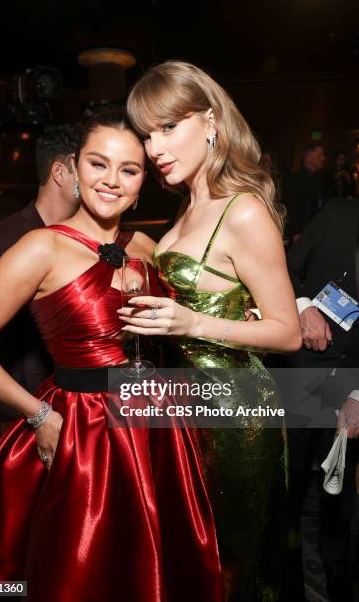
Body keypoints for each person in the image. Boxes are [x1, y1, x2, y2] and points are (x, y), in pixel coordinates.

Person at [0, 107, 223, 602]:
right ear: (74, 168)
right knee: (84, 569)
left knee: (155, 567)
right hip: (87, 433)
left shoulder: (143, 244)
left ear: (144, 181)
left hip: (156, 428)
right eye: (98, 164)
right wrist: (38, 415)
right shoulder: (40, 248)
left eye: (129, 169)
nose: (112, 181)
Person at [122, 60, 302, 601]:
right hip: (187, 412)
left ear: (210, 122)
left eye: (168, 128)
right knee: (194, 565)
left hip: (237, 417)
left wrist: (193, 320)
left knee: (235, 568)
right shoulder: (185, 205)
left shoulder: (242, 209)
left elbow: (288, 332)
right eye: (148, 134)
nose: (154, 148)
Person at [0, 124, 81, 406]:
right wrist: (29, 412)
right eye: (92, 165)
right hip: (28, 407)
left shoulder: (87, 237)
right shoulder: (1, 240)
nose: (101, 178)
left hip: (80, 397)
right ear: (60, 172)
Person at [284, 196, 359, 601]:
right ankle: (284, 580)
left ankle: (339, 584)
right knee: (289, 486)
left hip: (352, 387)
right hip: (301, 373)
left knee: (339, 497)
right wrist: (303, 307)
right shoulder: (338, 213)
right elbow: (285, 268)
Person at [284, 142, 326, 242]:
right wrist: (296, 232)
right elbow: (290, 207)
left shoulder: (318, 178)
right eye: (320, 155)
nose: (323, 158)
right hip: (300, 234)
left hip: (315, 231)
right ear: (309, 157)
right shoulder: (296, 179)